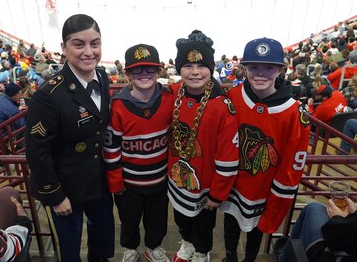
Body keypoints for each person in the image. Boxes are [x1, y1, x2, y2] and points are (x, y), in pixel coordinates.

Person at [25, 14, 114, 262]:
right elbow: (36, 151)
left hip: (97, 181)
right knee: (70, 250)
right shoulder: (49, 95)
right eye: (79, 44)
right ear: (63, 48)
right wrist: (55, 195)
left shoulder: (103, 78)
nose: (89, 52)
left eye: (94, 43)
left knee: (103, 239)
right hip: (65, 187)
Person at [220, 37, 311, 262]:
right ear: (245, 69)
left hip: (263, 192)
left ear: (280, 69)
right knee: (230, 225)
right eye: (254, 67)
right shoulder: (232, 96)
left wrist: (276, 203)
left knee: (255, 233)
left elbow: (291, 166)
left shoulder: (294, 114)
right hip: (232, 185)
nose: (260, 73)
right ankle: (230, 258)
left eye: (268, 67)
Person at [168, 30, 239, 262]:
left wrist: (217, 194)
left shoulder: (222, 105)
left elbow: (228, 157)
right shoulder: (174, 92)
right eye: (188, 66)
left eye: (201, 66)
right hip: (177, 179)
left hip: (205, 187)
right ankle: (187, 243)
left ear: (211, 68)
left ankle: (201, 252)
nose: (195, 72)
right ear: (179, 69)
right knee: (181, 218)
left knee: (203, 225)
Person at [103, 44, 173, 262]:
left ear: (159, 70)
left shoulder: (170, 98)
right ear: (128, 73)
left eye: (150, 69)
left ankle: (153, 247)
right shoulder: (118, 106)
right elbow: (111, 147)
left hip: (159, 180)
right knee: (129, 221)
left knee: (157, 220)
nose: (144, 74)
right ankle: (130, 248)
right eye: (137, 69)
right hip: (129, 184)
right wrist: (116, 182)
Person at [274, 200, 357, 262]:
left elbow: (336, 237)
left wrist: (337, 218)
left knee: (313, 208)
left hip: (333, 256)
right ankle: (289, 255)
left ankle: (286, 258)